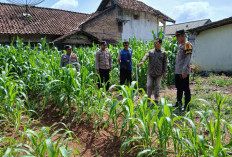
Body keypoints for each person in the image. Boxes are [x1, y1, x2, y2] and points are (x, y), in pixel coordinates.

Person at [138, 38, 167, 104]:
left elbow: (165, 63)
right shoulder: (150, 52)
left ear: (160, 43)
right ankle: (148, 99)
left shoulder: (163, 53)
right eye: (154, 43)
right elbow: (146, 56)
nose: (154, 44)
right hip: (150, 72)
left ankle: (156, 99)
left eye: (156, 43)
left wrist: (164, 72)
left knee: (157, 86)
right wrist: (142, 62)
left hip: (159, 73)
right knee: (149, 85)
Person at [172, 30, 193, 112]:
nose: (176, 38)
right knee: (179, 88)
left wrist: (184, 71)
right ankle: (179, 102)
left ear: (182, 36)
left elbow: (187, 59)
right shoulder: (180, 45)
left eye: (177, 37)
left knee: (186, 89)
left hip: (183, 72)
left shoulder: (187, 44)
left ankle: (187, 106)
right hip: (178, 70)